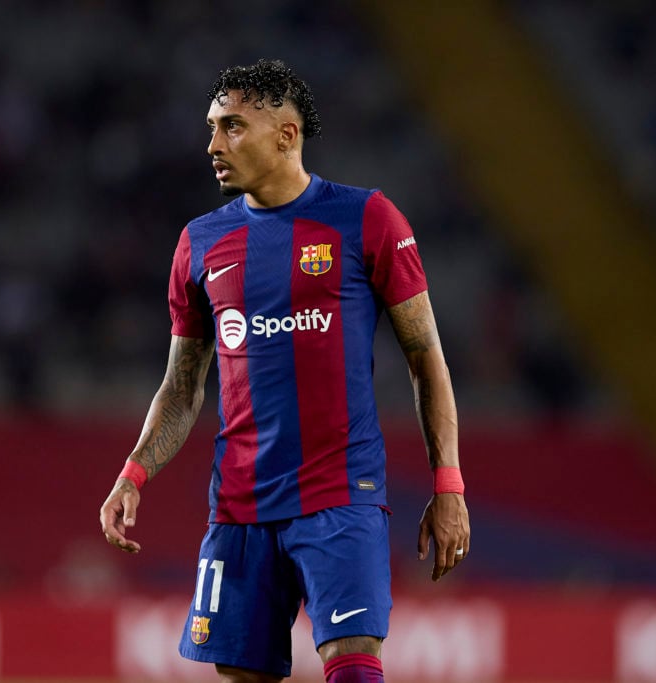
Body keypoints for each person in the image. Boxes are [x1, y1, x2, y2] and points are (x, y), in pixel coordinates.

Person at [100, 58, 470, 683]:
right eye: (213, 127)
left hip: (341, 500)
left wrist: (449, 484)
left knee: (353, 669)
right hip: (239, 509)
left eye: (232, 127)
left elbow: (425, 358)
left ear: (286, 135)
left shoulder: (367, 220)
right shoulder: (200, 243)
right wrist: (134, 472)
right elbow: (182, 384)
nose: (212, 144)